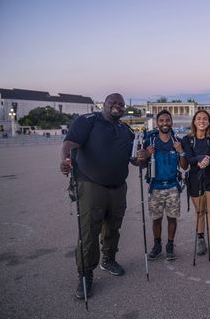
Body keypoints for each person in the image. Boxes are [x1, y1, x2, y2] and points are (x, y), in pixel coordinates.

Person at [60, 93, 143, 300]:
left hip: (117, 186)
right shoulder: (88, 121)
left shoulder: (125, 130)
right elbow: (69, 143)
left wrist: (142, 157)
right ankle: (85, 274)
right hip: (90, 184)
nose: (117, 106)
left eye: (120, 104)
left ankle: (109, 259)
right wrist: (65, 160)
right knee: (89, 230)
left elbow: (135, 158)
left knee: (113, 226)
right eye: (112, 103)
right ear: (104, 105)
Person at [140, 110, 188, 261]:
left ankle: (170, 245)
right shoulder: (150, 142)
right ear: (157, 123)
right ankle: (157, 244)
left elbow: (184, 167)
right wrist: (146, 155)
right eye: (161, 121)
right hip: (155, 186)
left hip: (173, 185)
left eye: (167, 120)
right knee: (156, 219)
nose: (165, 123)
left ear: (171, 122)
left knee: (172, 218)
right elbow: (140, 164)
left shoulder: (177, 141)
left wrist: (181, 152)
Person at [182, 110, 210, 262]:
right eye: (199, 118)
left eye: (205, 119)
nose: (202, 121)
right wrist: (201, 158)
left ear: (209, 121)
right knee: (200, 212)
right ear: (194, 121)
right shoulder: (187, 140)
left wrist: (207, 161)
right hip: (195, 178)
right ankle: (200, 240)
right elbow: (188, 159)